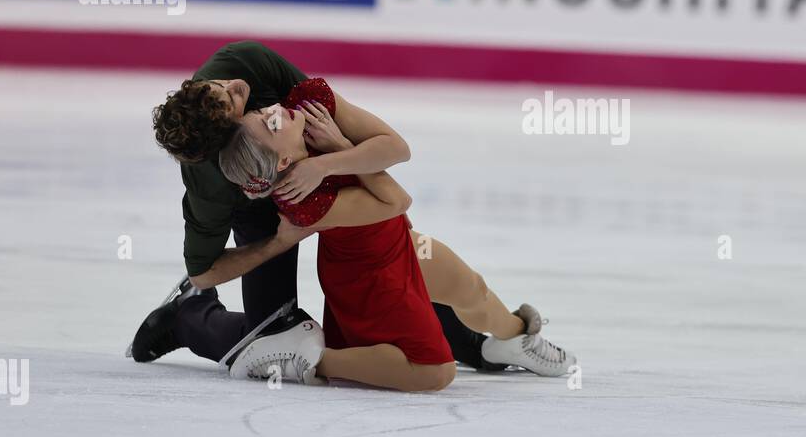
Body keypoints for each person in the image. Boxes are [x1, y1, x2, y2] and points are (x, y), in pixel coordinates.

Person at [133, 40, 556, 376]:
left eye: (218, 87)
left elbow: (358, 138)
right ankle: (190, 316)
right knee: (276, 338)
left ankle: (469, 343)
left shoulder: (245, 64)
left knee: (400, 252)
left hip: (321, 175)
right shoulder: (210, 183)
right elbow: (204, 271)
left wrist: (327, 162)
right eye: (233, 104)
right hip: (263, 208)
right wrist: (278, 242)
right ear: (232, 137)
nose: (233, 86)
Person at [217, 76, 575, 389]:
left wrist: (328, 159)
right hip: (368, 275)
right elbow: (398, 200)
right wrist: (340, 149)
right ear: (282, 163)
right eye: (271, 125)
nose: (274, 111)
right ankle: (306, 358)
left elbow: (397, 149)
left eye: (265, 113)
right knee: (434, 372)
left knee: (473, 289)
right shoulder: (302, 199)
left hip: (399, 243)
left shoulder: (309, 104)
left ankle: (513, 342)